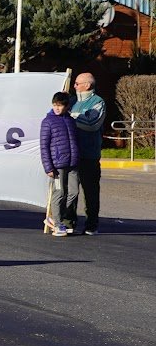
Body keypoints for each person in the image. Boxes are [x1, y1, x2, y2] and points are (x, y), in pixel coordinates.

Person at [68, 72, 106, 236]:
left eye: (77, 83)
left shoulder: (97, 102)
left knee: (90, 192)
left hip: (89, 154)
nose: (74, 86)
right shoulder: (71, 102)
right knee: (70, 191)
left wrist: (70, 117)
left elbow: (91, 123)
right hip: (71, 154)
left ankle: (92, 224)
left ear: (87, 85)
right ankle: (68, 221)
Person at [40, 91, 79, 238]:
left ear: (66, 106)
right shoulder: (48, 121)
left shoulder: (70, 120)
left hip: (72, 163)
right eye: (55, 105)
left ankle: (57, 217)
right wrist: (48, 167)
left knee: (74, 192)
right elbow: (44, 146)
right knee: (60, 193)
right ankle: (57, 223)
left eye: (60, 105)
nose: (57, 108)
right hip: (57, 165)